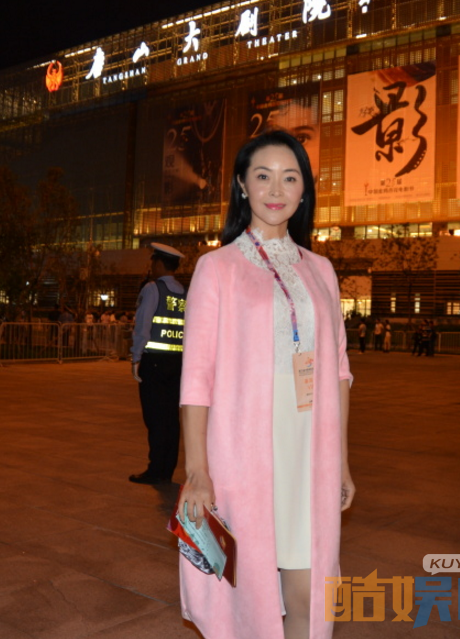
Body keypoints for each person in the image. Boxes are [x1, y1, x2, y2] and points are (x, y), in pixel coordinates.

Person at [177, 130, 354, 639]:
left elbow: (339, 372)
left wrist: (341, 460)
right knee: (245, 593)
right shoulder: (217, 268)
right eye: (263, 176)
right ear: (242, 185)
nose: (276, 190)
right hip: (244, 451)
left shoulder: (321, 270)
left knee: (310, 593)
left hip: (310, 450)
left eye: (290, 178)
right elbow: (197, 379)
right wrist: (197, 470)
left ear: (304, 190)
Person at [129, 243, 186, 485]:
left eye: (153, 262)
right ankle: (166, 469)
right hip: (178, 363)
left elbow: (143, 326)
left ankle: (156, 470)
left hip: (153, 362)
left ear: (160, 264)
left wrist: (136, 356)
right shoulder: (184, 292)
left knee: (154, 417)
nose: (152, 267)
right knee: (171, 418)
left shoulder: (153, 289)